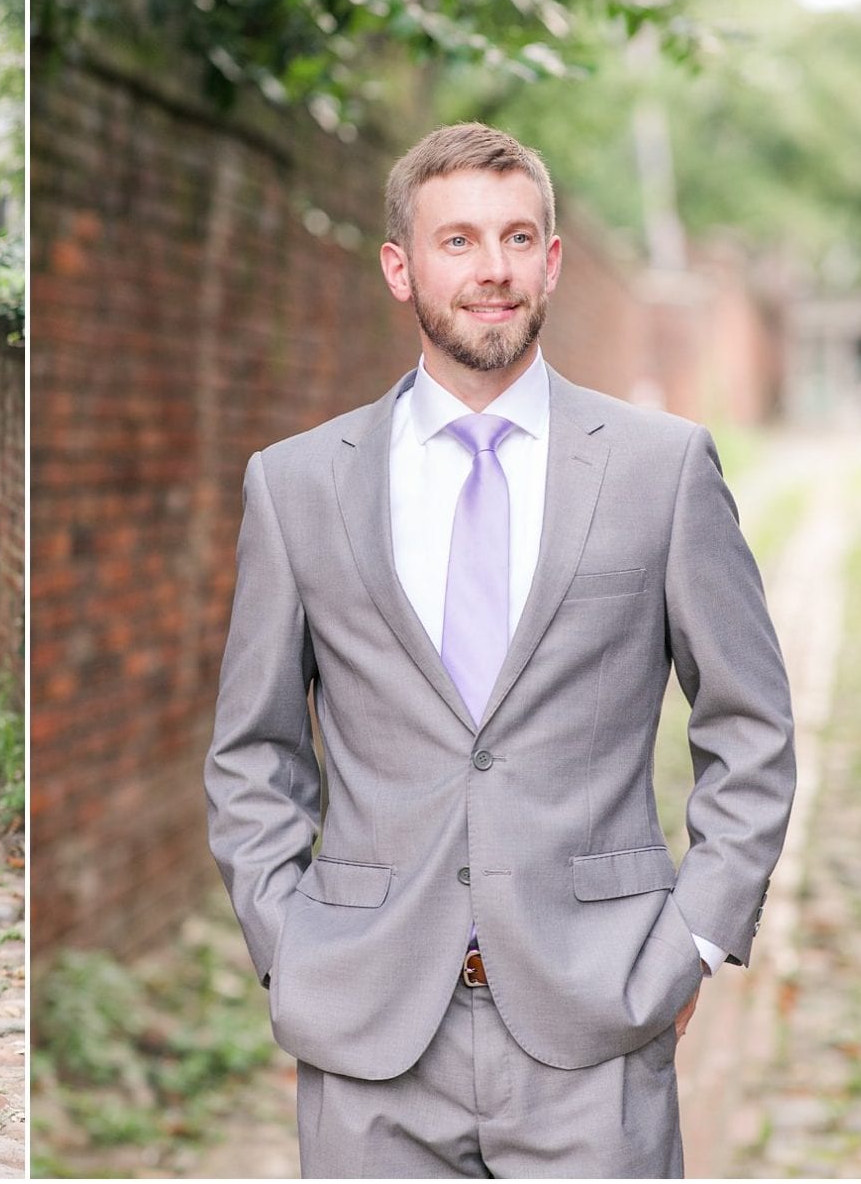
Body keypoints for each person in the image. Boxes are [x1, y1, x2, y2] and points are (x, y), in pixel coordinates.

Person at [204, 124, 795, 1177]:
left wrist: (693, 939)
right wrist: (290, 943)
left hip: (596, 1021)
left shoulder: (662, 469)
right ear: (401, 266)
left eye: (519, 237)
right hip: (370, 1031)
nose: (492, 270)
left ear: (553, 259)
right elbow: (254, 751)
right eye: (459, 240)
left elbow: (749, 725)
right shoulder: (296, 486)